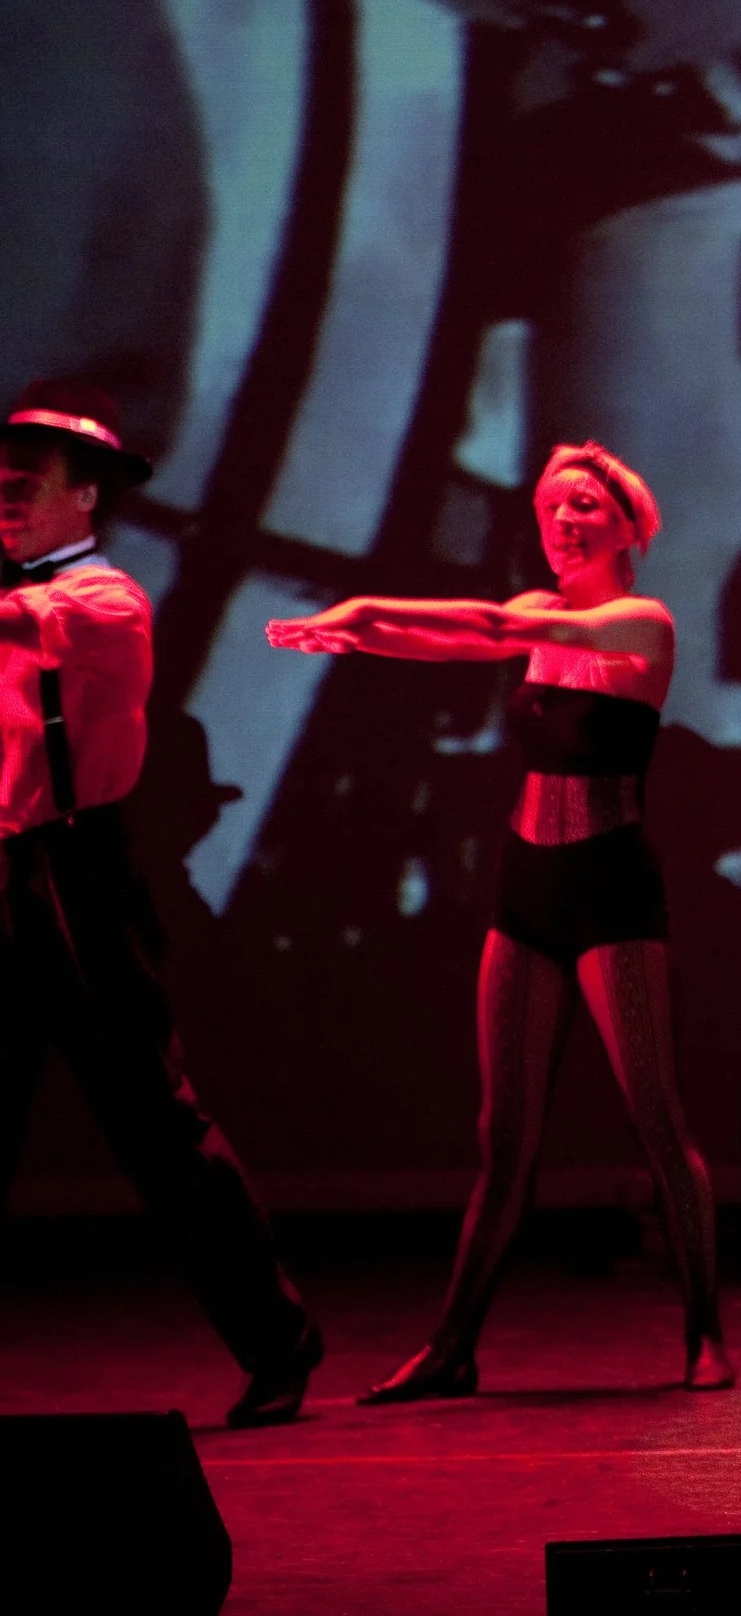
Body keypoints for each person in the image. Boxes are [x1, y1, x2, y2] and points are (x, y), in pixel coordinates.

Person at [267, 442, 732, 1399]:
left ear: (627, 525)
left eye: (584, 507)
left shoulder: (641, 621)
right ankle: (453, 1345)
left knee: (656, 1115)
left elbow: (478, 623)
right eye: (552, 507)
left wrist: (368, 606)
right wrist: (357, 635)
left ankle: (704, 1335)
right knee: (503, 1134)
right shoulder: (536, 617)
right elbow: (462, 639)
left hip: (611, 888)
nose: (563, 521)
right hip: (526, 889)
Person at [0, 381, 322, 1427]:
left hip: (75, 877)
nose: (6, 497)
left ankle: (278, 1340)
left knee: (156, 1127)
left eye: (27, 484)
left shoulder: (104, 599)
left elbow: (26, 622)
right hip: (5, 873)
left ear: (83, 499)